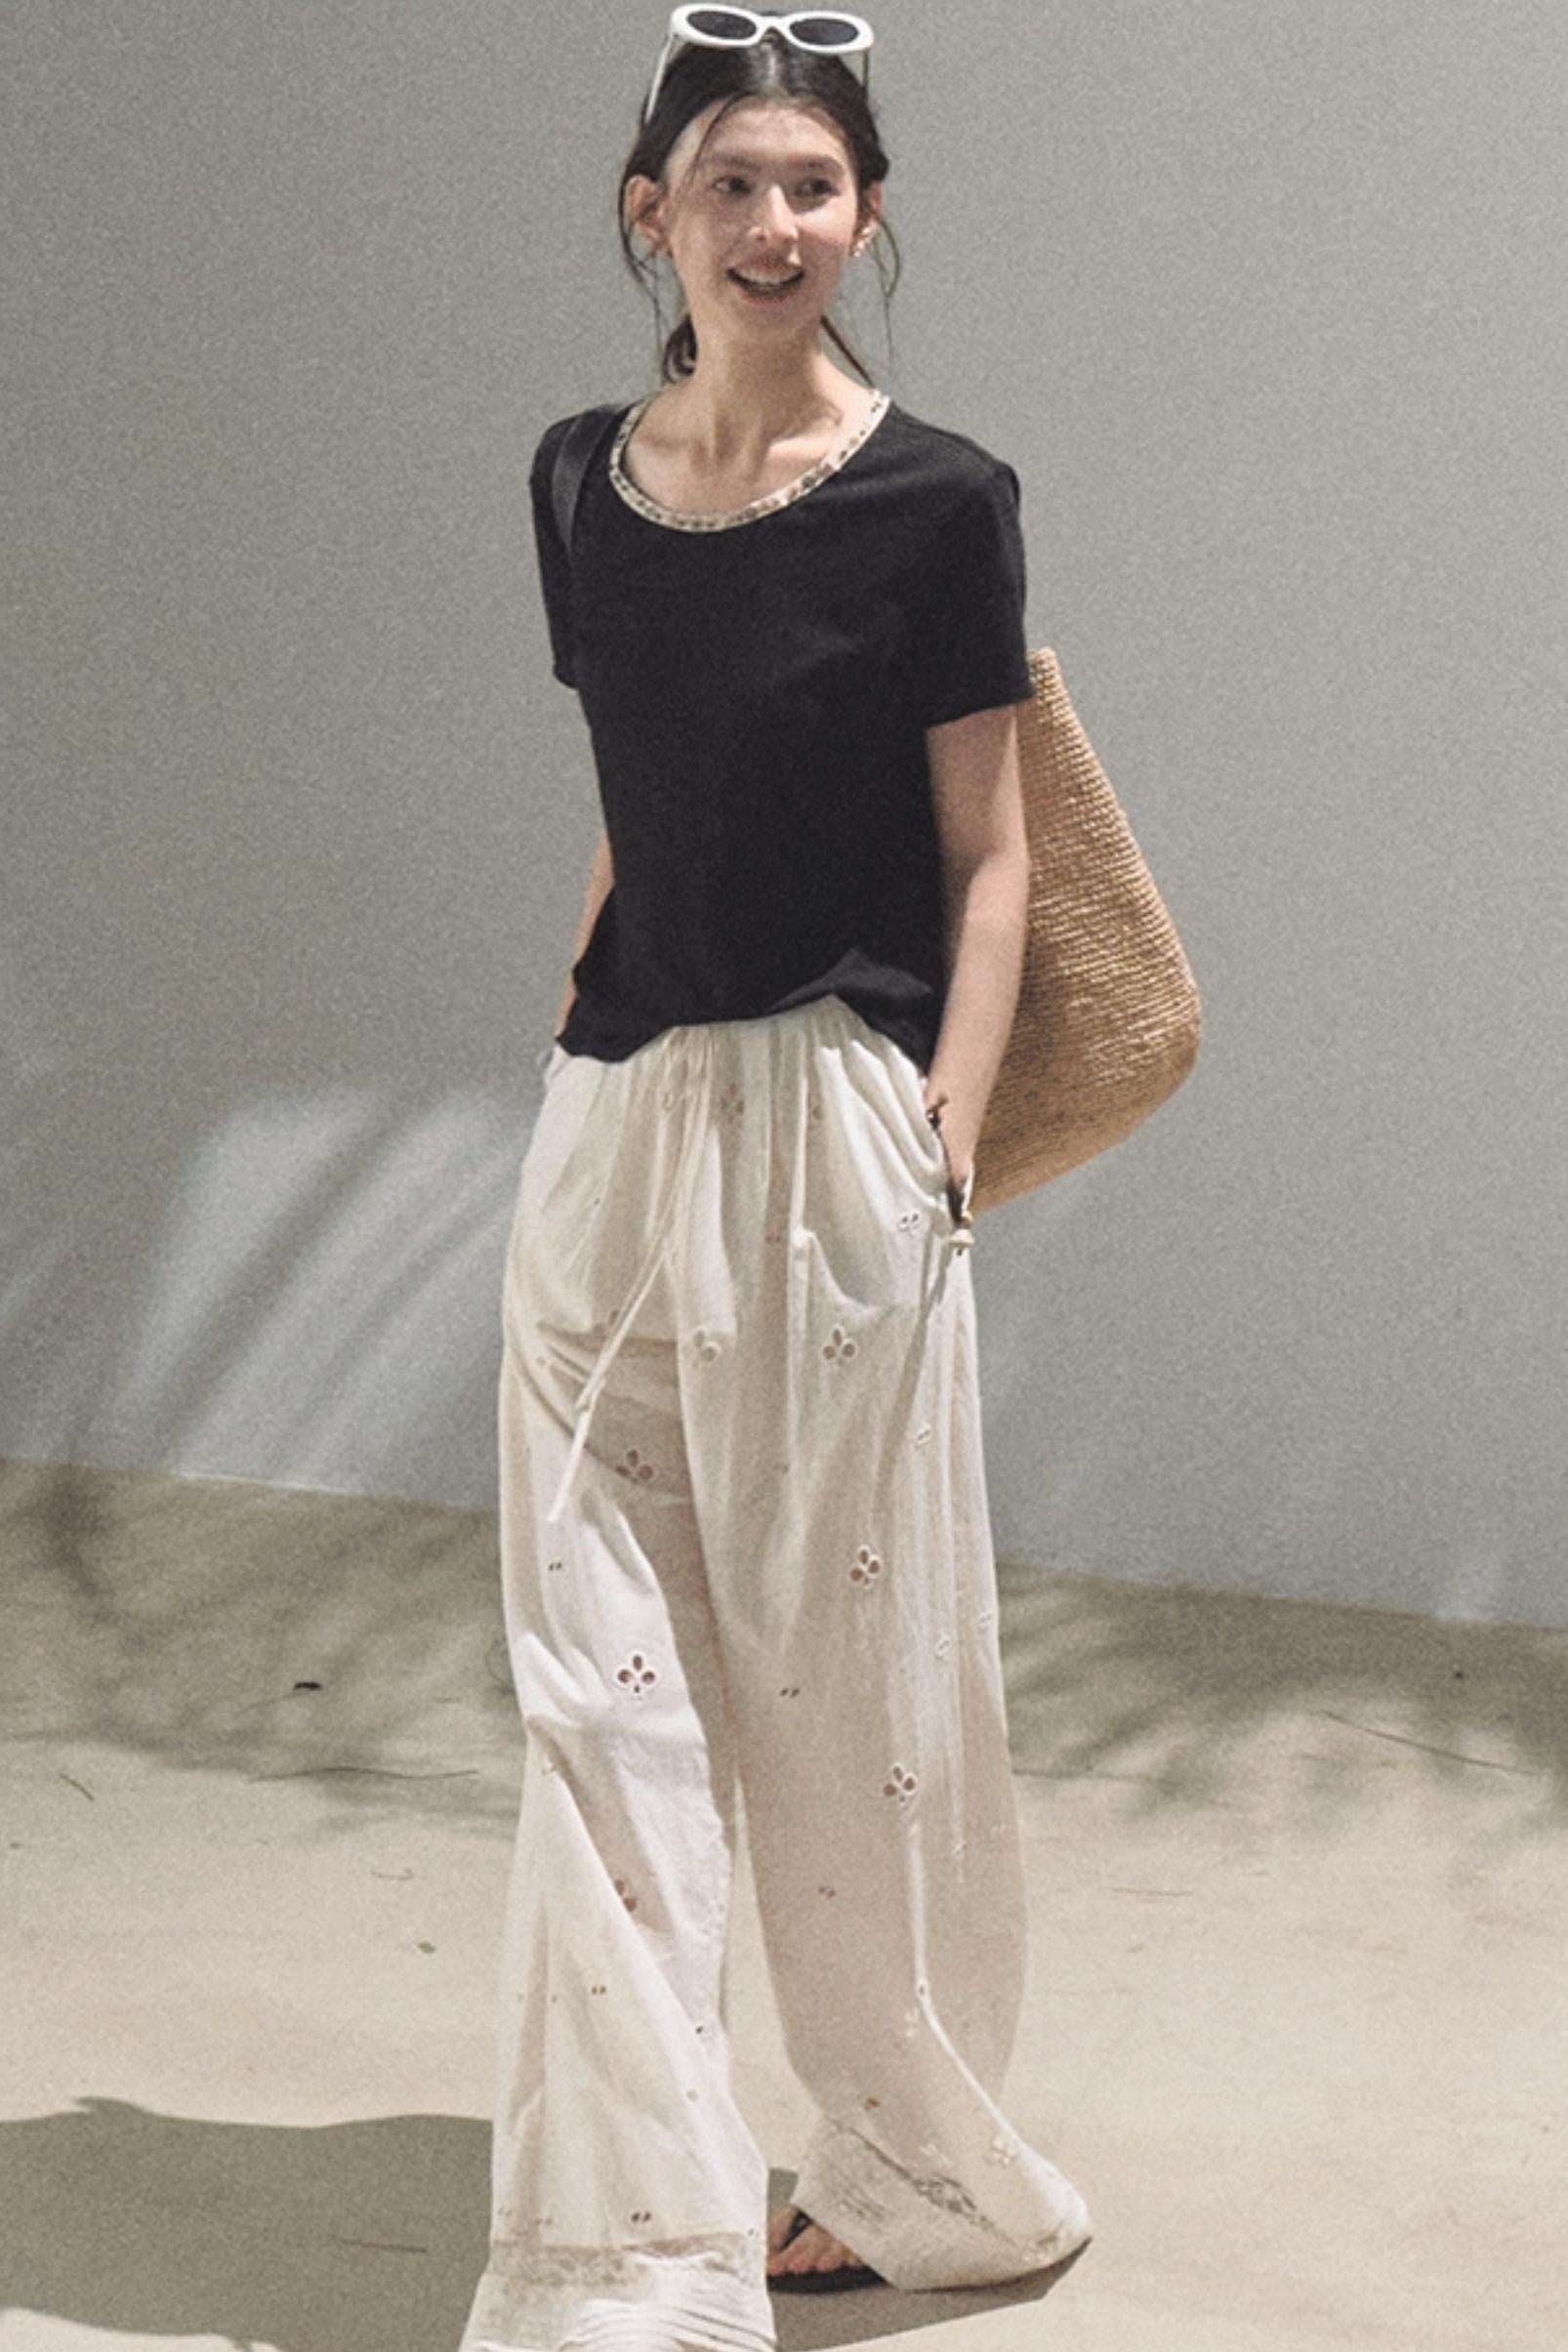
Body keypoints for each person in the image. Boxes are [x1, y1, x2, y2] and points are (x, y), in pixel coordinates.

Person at [459, 12, 1093, 2350]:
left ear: (866, 214)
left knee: (844, 1700)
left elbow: (990, 853)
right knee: (592, 1696)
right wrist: (576, 1021)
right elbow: (641, 795)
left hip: (832, 1135)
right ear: (651, 212)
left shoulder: (937, 501)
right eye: (728, 180)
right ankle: (627, 2249)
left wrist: (944, 1125)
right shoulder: (573, 483)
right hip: (615, 1127)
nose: (772, 223)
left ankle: (915, 2160)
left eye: (813, 184)